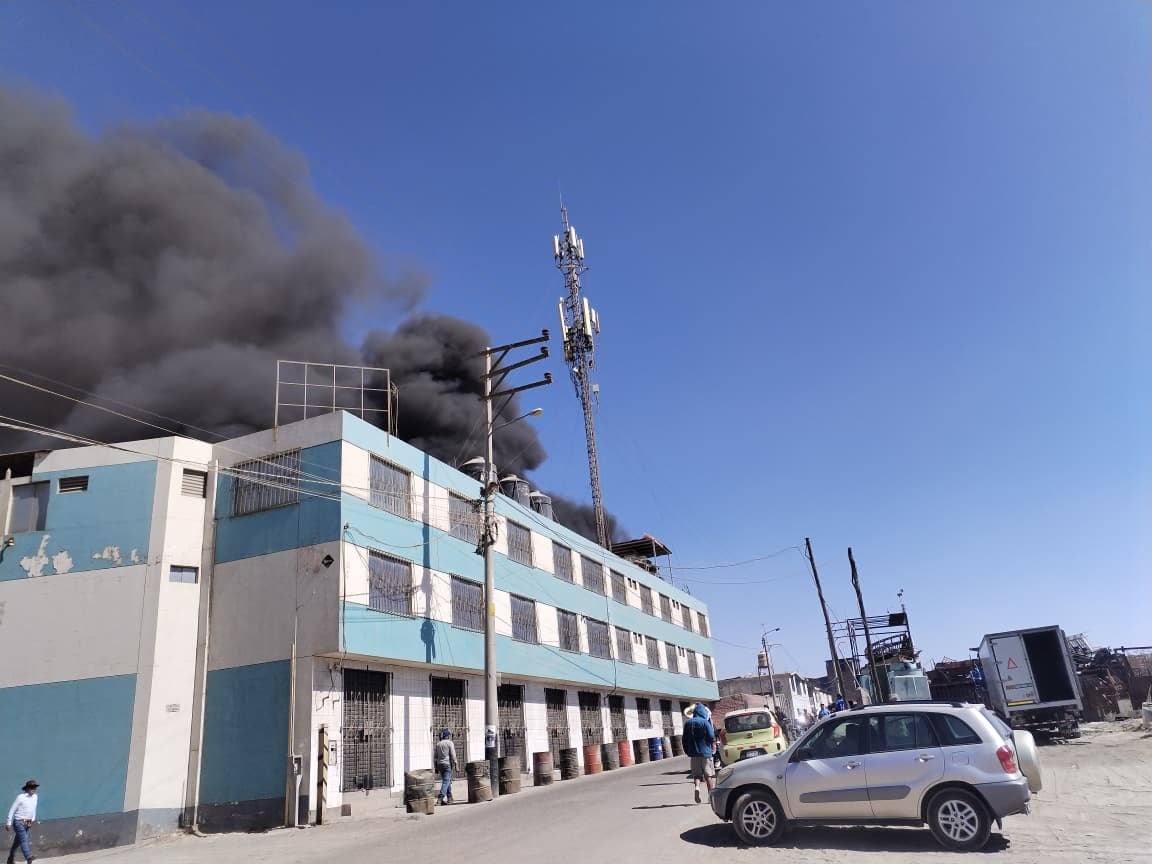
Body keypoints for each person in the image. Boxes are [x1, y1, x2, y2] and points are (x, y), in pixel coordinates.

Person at [682, 703, 717, 805]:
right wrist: (713, 746)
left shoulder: (688, 723)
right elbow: (711, 736)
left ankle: (697, 787)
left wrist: (687, 751)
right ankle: (711, 797)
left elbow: (684, 739)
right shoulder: (705, 722)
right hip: (706, 753)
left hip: (693, 754)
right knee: (708, 776)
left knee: (697, 775)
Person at [5, 779, 38, 864]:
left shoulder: (35, 797)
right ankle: (28, 857)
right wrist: (8, 822)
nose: (33, 789)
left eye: (35, 787)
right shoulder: (20, 797)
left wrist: (32, 820)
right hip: (19, 822)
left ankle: (10, 859)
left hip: (27, 821)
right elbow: (12, 810)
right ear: (27, 788)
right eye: (31, 787)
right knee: (24, 840)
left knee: (17, 842)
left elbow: (33, 809)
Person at [434, 730, 458, 805]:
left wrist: (436, 767)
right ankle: (440, 799)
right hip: (447, 764)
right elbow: (453, 754)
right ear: (448, 736)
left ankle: (450, 798)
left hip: (440, 765)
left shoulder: (438, 744)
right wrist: (456, 764)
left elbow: (435, 757)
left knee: (446, 780)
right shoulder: (450, 743)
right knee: (446, 781)